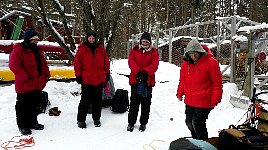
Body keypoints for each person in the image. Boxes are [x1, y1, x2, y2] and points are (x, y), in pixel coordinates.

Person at [176, 39, 223, 140]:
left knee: (197, 123)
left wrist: (215, 98)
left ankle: (203, 144)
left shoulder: (211, 62)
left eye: (195, 54)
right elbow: (183, 79)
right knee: (188, 122)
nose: (193, 57)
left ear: (199, 52)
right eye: (190, 55)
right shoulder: (186, 63)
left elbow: (217, 83)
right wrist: (180, 92)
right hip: (190, 99)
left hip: (204, 100)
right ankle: (195, 141)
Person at [9, 28, 50, 135]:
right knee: (22, 106)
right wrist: (25, 77)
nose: (36, 42)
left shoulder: (38, 50)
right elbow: (14, 66)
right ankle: (23, 126)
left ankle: (33, 122)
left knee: (34, 105)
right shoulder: (18, 50)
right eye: (34, 40)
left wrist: (46, 75)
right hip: (24, 84)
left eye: (37, 40)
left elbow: (44, 65)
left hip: (36, 84)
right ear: (28, 39)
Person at [73, 30, 110, 128]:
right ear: (87, 38)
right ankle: (81, 120)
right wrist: (78, 75)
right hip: (87, 80)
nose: (91, 39)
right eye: (90, 38)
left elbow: (106, 62)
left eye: (93, 38)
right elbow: (77, 63)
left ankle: (96, 119)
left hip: (99, 79)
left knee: (97, 101)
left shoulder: (101, 49)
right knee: (84, 101)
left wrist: (107, 74)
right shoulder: (82, 49)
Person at [127, 32, 159, 132]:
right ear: (140, 41)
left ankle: (143, 123)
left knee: (146, 103)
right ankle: (131, 123)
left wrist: (145, 73)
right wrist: (139, 72)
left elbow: (154, 65)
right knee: (134, 103)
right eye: (143, 41)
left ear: (149, 42)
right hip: (135, 80)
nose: (144, 43)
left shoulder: (154, 52)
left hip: (147, 81)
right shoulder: (134, 50)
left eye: (147, 41)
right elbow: (131, 62)